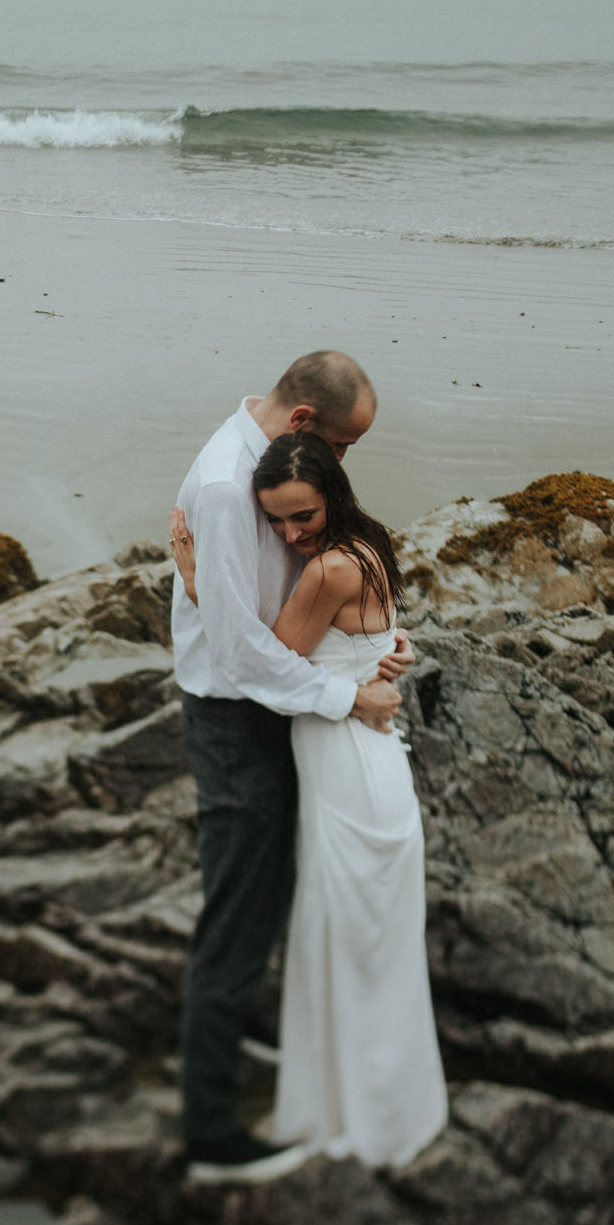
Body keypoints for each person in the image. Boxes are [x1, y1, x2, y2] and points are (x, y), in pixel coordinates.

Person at [171, 429, 448, 1173]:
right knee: (367, 945)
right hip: (366, 767)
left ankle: (360, 1111)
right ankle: (385, 1099)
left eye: (304, 515)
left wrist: (200, 587)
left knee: (349, 943)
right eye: (276, 521)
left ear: (333, 496)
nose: (291, 533)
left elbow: (260, 658)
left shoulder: (326, 571)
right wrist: (377, 667)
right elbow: (371, 639)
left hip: (349, 777)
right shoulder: (370, 546)